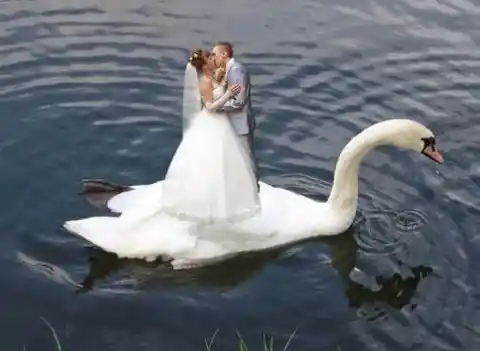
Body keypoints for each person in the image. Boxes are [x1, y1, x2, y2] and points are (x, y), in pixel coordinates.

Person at [210, 42, 259, 188]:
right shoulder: (229, 70)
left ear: (224, 54)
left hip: (240, 123)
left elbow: (239, 101)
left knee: (246, 160)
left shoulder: (236, 70)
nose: (213, 58)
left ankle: (253, 191)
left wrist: (217, 108)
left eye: (215, 54)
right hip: (233, 123)